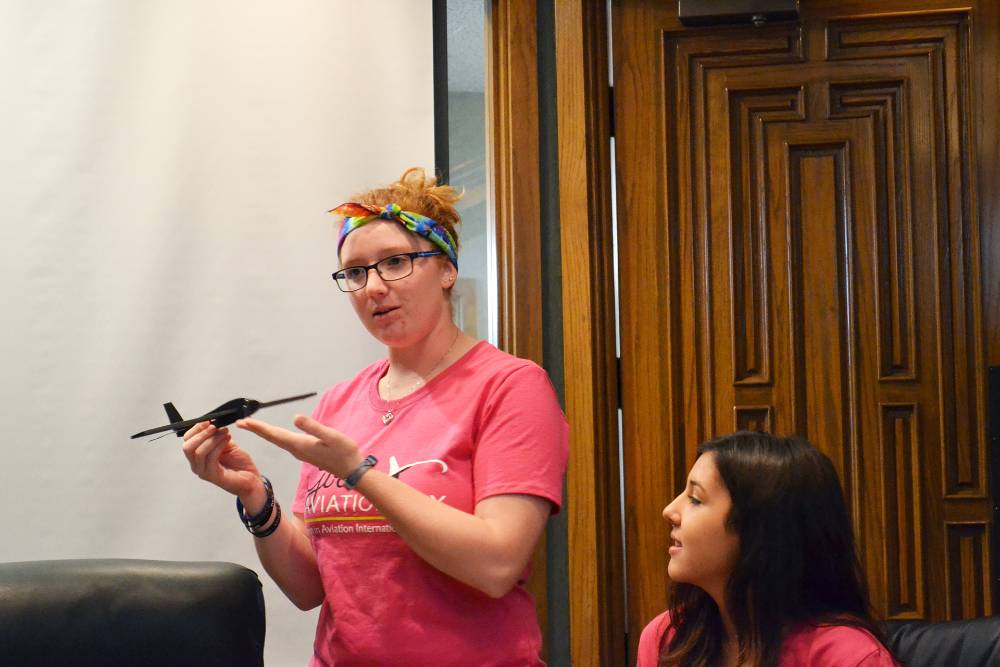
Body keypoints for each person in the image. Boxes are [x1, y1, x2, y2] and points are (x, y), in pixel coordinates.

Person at [181, 168, 568, 666]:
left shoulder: (510, 387)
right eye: (356, 272)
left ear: (447, 269)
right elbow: (308, 589)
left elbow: (496, 563)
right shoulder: (340, 402)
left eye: (396, 262)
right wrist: (256, 498)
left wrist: (359, 473)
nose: (373, 287)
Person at [637, 431, 898, 667]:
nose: (669, 511)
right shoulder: (668, 638)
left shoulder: (849, 657)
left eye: (695, 498)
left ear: (759, 529)